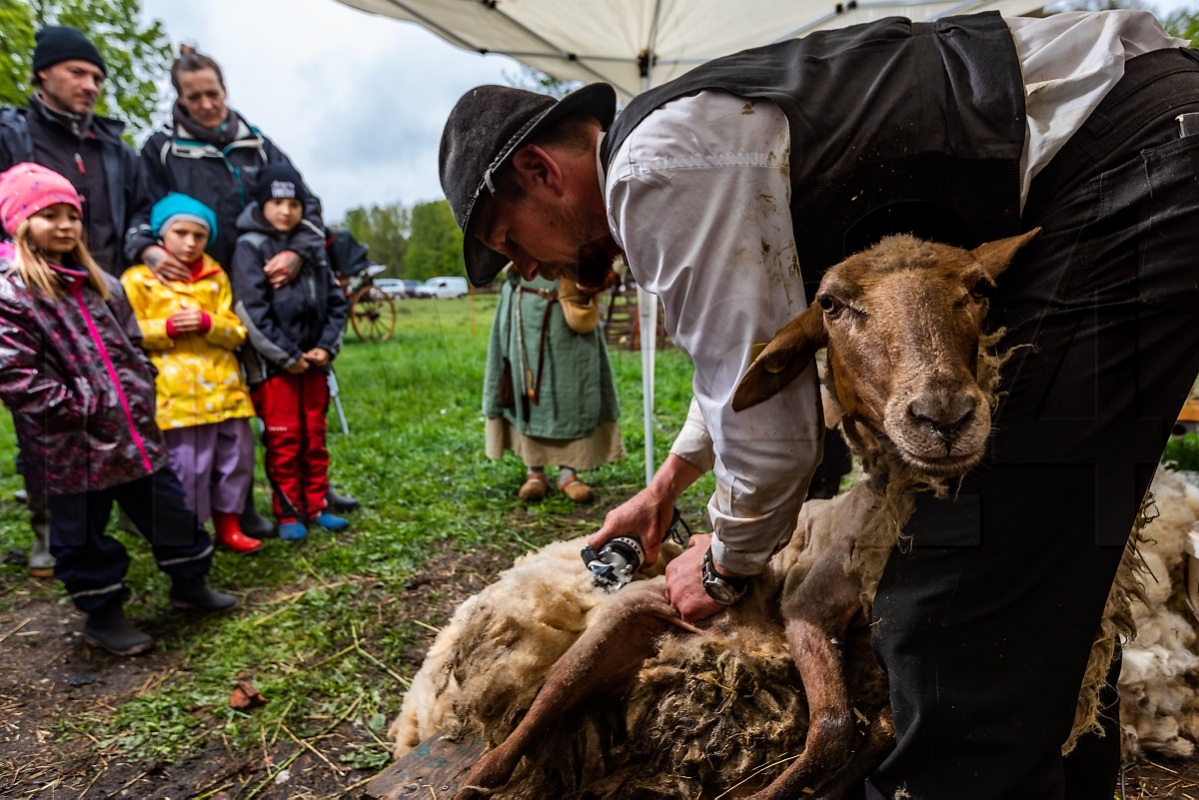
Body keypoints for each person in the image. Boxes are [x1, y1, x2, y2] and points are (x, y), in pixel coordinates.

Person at [439, 10, 1199, 798]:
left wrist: (728, 564)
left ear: (538, 170)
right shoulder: (690, 139)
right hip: (1140, 147)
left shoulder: (653, 170)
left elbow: (769, 437)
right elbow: (750, 360)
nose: (526, 265)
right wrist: (667, 483)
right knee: (1042, 554)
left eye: (509, 241)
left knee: (955, 588)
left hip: (1132, 164)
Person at [0, 163, 237, 656]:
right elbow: (17, 376)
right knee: (81, 535)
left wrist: (139, 388)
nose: (65, 225)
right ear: (19, 222)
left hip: (132, 435)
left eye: (72, 214)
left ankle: (190, 584)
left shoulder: (98, 281)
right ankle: (103, 615)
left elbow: (130, 341)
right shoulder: (13, 294)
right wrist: (85, 407)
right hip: (69, 448)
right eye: (49, 214)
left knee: (170, 513)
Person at [125, 44, 359, 534]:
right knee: (237, 400)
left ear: (226, 89)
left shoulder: (258, 143)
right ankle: (245, 502)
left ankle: (308, 492)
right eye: (195, 97)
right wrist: (149, 250)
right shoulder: (161, 148)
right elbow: (141, 212)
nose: (206, 104)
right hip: (203, 285)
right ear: (180, 97)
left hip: (277, 287)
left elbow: (306, 203)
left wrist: (298, 251)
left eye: (213, 93)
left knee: (289, 396)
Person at [0, 25, 140, 577]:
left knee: (120, 397)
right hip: (34, 297)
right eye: (78, 72)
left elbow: (134, 212)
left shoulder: (112, 144)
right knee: (45, 417)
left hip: (100, 292)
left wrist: (138, 254)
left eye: (98, 77)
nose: (91, 85)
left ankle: (135, 507)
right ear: (43, 74)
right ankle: (48, 529)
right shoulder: (13, 134)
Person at [120, 193, 261, 555]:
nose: (190, 242)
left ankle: (229, 526)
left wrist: (208, 323)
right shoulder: (138, 280)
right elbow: (125, 332)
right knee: (189, 468)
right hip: (176, 397)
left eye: (199, 235)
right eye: (180, 233)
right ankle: (192, 531)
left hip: (226, 391)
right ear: (161, 236)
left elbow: (236, 330)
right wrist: (164, 328)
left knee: (236, 459)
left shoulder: (216, 278)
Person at [229, 164, 348, 541]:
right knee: (283, 440)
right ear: (262, 204)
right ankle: (288, 512)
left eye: (294, 203)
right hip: (275, 369)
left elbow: (336, 302)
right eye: (277, 202)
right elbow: (250, 311)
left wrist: (325, 348)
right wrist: (287, 355)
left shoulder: (311, 247)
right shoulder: (249, 247)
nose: (286, 211)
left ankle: (317, 505)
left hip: (314, 364)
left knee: (314, 436)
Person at [483, 266, 625, 502]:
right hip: (524, 302)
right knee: (524, 384)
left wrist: (600, 274)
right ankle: (534, 471)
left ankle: (569, 472)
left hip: (568, 304)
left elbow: (608, 243)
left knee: (572, 387)